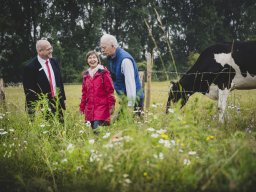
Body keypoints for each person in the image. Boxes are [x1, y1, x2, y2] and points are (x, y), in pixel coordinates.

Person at [22, 39, 66, 122]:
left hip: (57, 102)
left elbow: (59, 81)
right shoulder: (29, 67)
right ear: (40, 51)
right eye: (48, 49)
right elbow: (29, 91)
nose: (51, 51)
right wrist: (35, 108)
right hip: (42, 105)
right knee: (47, 130)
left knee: (61, 127)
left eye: (51, 48)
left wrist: (63, 98)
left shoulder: (54, 62)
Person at [100, 34, 144, 114]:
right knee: (119, 124)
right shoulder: (111, 58)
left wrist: (130, 106)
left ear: (112, 45)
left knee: (132, 125)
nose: (102, 50)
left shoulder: (125, 60)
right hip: (125, 99)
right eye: (101, 48)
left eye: (104, 47)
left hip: (134, 100)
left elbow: (130, 84)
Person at [79, 50, 115, 132]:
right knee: (93, 131)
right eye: (90, 58)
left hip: (102, 108)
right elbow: (84, 93)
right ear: (87, 61)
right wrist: (82, 107)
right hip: (90, 109)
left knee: (97, 130)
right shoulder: (86, 75)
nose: (92, 60)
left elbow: (110, 91)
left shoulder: (104, 73)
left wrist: (112, 105)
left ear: (98, 59)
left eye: (94, 57)